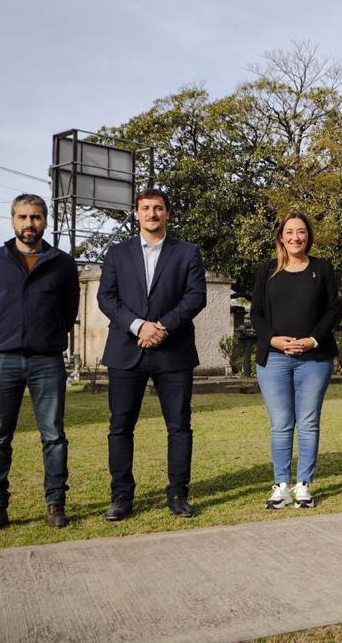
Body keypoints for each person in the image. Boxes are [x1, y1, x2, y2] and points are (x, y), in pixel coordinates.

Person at [97, 187, 207, 521]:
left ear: (167, 214)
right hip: (125, 350)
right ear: (136, 213)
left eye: (158, 208)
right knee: (120, 427)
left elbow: (195, 296)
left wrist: (161, 326)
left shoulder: (187, 252)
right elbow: (106, 298)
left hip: (172, 351)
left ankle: (177, 494)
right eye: (145, 208)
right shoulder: (117, 252)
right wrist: (137, 326)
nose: (152, 214)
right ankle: (121, 496)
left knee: (179, 426)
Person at [0, 194, 79, 533]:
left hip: (46, 361)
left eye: (35, 217)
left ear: (45, 221)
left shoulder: (62, 263)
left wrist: (49, 335)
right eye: (22, 217)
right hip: (2, 359)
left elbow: (69, 310)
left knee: (53, 436)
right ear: (12, 221)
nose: (28, 224)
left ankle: (55, 503)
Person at [250, 212, 340, 510]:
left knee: (309, 422)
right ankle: (281, 486)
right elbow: (256, 314)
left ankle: (303, 485)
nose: (295, 237)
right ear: (281, 236)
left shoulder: (323, 269)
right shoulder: (267, 270)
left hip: (314, 359)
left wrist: (313, 339)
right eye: (290, 232)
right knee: (281, 424)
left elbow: (333, 310)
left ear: (308, 236)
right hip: (274, 359)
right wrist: (273, 340)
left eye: (301, 232)